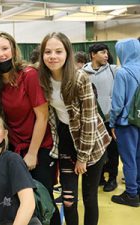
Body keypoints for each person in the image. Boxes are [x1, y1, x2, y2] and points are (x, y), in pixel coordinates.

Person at [0, 31, 61, 225]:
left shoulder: (28, 75)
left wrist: (32, 153)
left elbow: (42, 117)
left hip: (38, 147)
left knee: (43, 198)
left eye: (5, 49)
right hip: (13, 150)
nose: (0, 54)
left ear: (13, 50)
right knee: (19, 202)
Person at [39, 32, 111, 225]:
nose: (53, 56)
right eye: (48, 52)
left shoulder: (80, 78)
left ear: (67, 53)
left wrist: (83, 157)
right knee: (69, 200)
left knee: (89, 197)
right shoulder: (42, 78)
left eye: (58, 51)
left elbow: (89, 119)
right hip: (66, 139)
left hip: (91, 142)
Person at [82, 43, 119, 192]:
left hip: (110, 119)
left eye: (107, 52)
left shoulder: (113, 70)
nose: (106, 55)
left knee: (112, 151)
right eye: (102, 52)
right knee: (97, 151)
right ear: (92, 54)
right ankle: (100, 179)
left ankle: (112, 178)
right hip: (92, 120)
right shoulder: (83, 72)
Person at [110, 38, 140, 207]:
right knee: (139, 157)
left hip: (126, 123)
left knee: (129, 160)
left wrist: (112, 123)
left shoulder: (123, 72)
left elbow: (118, 104)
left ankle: (131, 194)